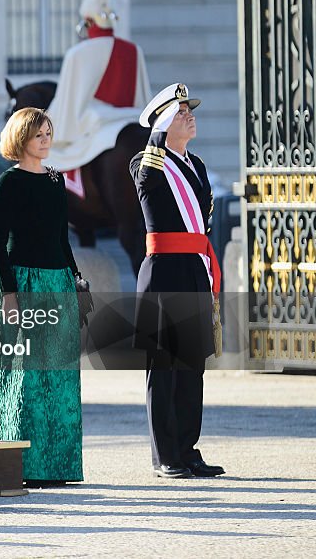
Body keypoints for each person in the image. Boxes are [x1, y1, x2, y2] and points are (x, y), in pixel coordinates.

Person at [130, 83, 225, 479]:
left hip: (193, 268)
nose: (190, 115)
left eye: (189, 109)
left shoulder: (196, 165)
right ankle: (165, 455)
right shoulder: (145, 162)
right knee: (164, 365)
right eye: (180, 111)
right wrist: (159, 130)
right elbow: (150, 178)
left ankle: (187, 449)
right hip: (164, 271)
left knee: (191, 365)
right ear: (164, 121)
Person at [0, 107, 83, 487]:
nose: (46, 140)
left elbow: (63, 237)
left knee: (60, 378)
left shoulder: (56, 179)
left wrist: (76, 280)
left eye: (49, 133)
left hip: (57, 282)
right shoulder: (8, 182)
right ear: (21, 138)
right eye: (39, 134)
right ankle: (23, 466)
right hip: (23, 283)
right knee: (25, 378)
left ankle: (59, 466)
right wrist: (9, 293)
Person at [47, 0, 151, 172]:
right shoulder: (133, 50)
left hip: (94, 125)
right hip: (132, 117)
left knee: (47, 159)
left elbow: (66, 110)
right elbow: (142, 99)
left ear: (87, 20)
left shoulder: (77, 54)